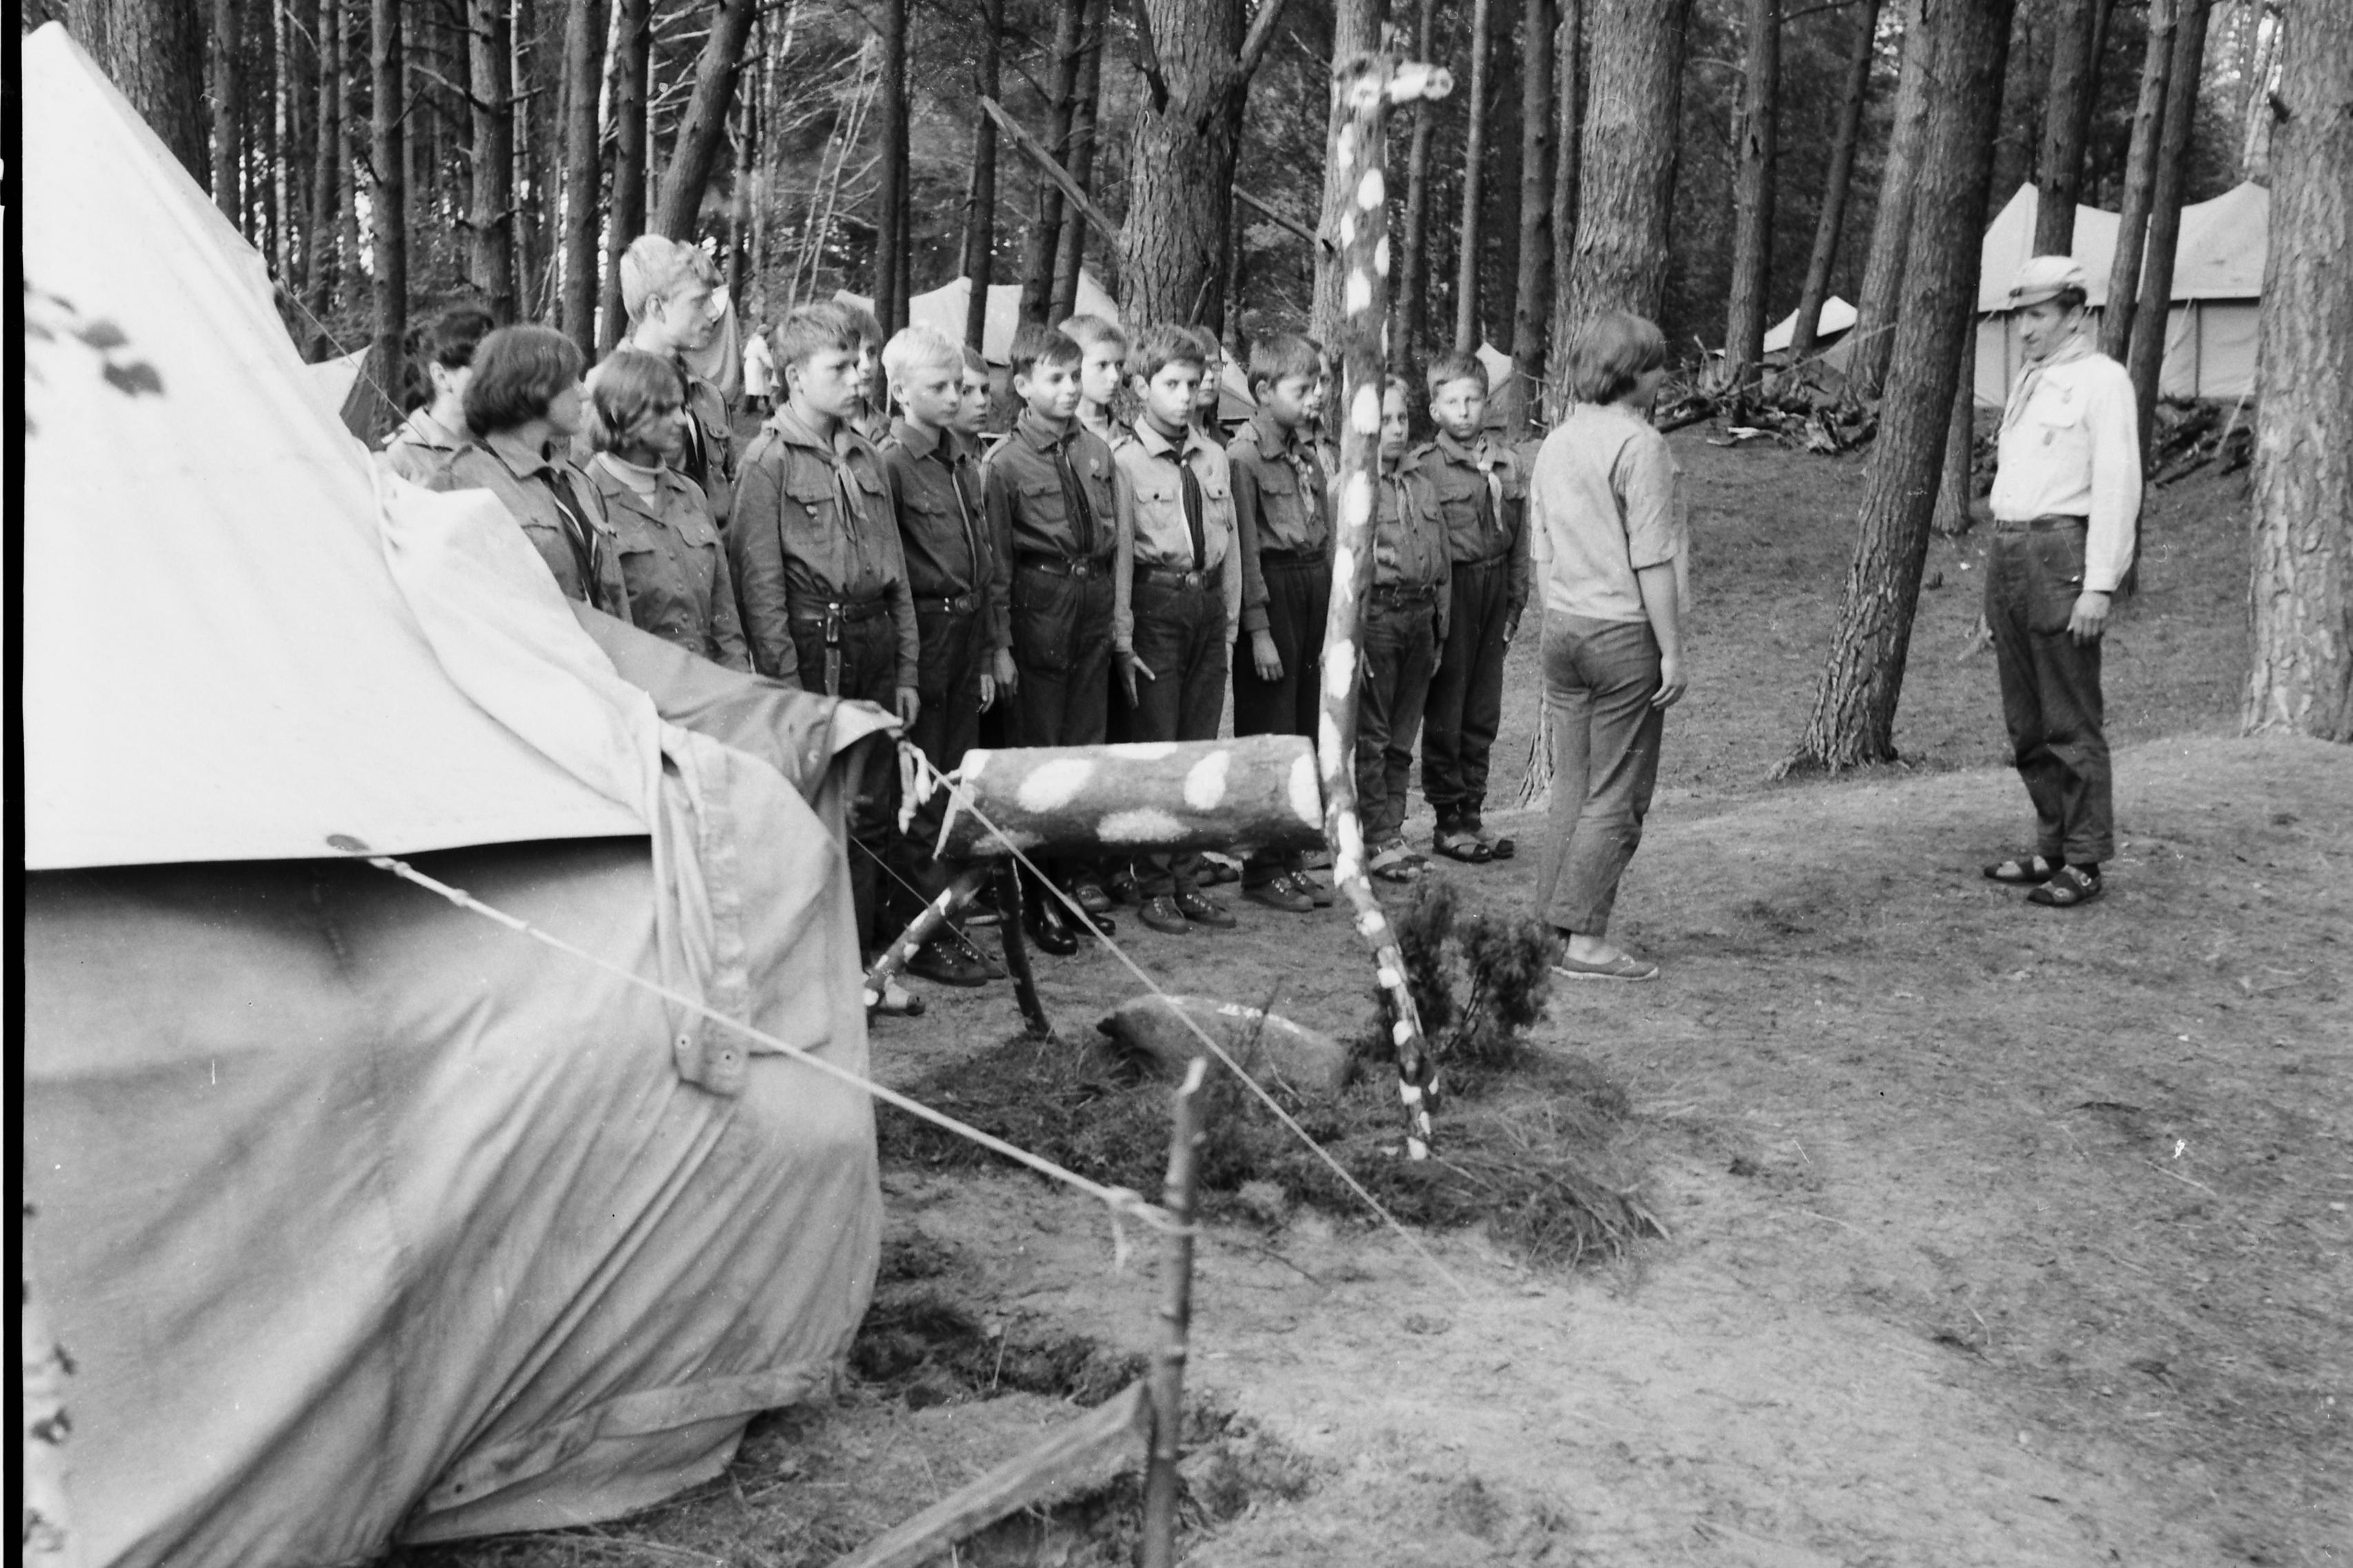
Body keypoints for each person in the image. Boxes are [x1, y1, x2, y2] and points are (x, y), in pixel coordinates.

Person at [730, 305, 921, 973]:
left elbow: (893, 569)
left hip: (871, 644)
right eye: (839, 368)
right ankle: (817, 970)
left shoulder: (865, 453)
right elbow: (761, 591)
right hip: (815, 649)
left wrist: (906, 669)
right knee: (818, 812)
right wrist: (786, 693)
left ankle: (865, 966)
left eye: (859, 364)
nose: (857, 377)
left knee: (874, 811)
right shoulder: (766, 463)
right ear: (792, 378)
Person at [1528, 311, 1688, 981]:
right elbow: (1652, 557)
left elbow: (1539, 547)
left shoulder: (1556, 441)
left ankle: (1548, 929)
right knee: (1618, 794)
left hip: (1561, 629)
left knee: (1574, 783)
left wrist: (1560, 611)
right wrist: (1672, 650)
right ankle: (1586, 942)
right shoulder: (1640, 444)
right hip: (1621, 635)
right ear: (1630, 375)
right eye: (1655, 366)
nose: (1662, 377)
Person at [1979, 255, 2141, 909]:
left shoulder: (2103, 381)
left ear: (2077, 315)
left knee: (2070, 716)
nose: (2026, 329)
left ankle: (2085, 860)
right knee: (2026, 720)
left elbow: (2118, 484)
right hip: (2011, 549)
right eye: (2021, 315)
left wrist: (2099, 583)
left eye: (2039, 315)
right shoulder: (2031, 380)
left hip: (2061, 551)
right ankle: (2051, 846)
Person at [983, 323, 1122, 950]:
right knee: (1039, 757)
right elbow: (998, 568)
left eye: (1074, 377)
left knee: (1084, 751)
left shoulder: (1096, 452)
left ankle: (1070, 885)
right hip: (1040, 609)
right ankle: (1034, 899)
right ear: (1022, 386)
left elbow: (1113, 545)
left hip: (1090, 609)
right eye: (1056, 379)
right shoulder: (1004, 465)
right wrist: (1001, 646)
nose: (1069, 390)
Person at [879, 325, 1003, 987]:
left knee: (955, 784)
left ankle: (950, 918)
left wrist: (986, 652)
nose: (955, 396)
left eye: (960, 385)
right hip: (924, 639)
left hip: (964, 635)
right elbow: (898, 573)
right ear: (899, 392)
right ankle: (921, 933)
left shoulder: (964, 460)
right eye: (940, 387)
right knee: (921, 790)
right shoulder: (891, 465)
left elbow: (982, 566)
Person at [1112, 324, 1243, 935]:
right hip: (1156, 610)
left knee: (1197, 752)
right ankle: (1155, 881)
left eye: (1193, 384)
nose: (1186, 396)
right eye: (1171, 384)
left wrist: (1231, 625)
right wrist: (1123, 636)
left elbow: (1230, 548)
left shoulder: (1213, 455)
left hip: (1206, 610)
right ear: (1141, 387)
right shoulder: (1123, 463)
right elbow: (1120, 562)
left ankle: (1188, 878)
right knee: (1158, 753)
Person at [1228, 330, 1333, 914]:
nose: (1316, 396)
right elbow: (1246, 550)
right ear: (1265, 391)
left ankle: (1291, 857)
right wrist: (1259, 630)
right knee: (1271, 734)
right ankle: (1262, 866)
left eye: (1318, 385)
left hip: (1313, 588)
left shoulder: (1307, 451)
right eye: (1304, 387)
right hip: (1274, 594)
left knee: (1305, 732)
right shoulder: (1243, 457)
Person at [1416, 351, 1530, 864]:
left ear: (1488, 402)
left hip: (1493, 592)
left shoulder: (1507, 463)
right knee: (1448, 708)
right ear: (1435, 409)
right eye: (1453, 401)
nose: (1464, 411)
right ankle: (1446, 820)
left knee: (1483, 709)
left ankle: (1474, 814)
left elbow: (1519, 543)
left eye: (1474, 399)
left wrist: (1515, 605)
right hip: (1453, 595)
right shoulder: (1427, 469)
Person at [428, 325, 629, 614]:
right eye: (571, 382)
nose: (584, 395)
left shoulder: (577, 482)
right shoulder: (461, 479)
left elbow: (614, 598)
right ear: (533, 388)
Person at [583, 348, 751, 671]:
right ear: (620, 414)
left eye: (683, 407)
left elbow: (724, 613)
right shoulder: (587, 501)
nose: (682, 421)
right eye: (664, 410)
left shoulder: (690, 494)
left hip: (709, 689)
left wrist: (736, 684)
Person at [1361, 375, 1452, 885]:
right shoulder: (1352, 488)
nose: (1396, 430)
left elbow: (1442, 567)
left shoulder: (1421, 485)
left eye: (1401, 419)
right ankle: (1375, 836)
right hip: (1377, 620)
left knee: (1401, 738)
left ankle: (1393, 832)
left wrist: (1440, 630)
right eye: (1385, 420)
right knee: (1372, 737)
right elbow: (1344, 571)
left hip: (1420, 622)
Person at [618, 235, 737, 527]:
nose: (713, 313)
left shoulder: (709, 397)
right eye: (699, 301)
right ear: (657, 308)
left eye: (713, 300)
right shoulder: (609, 393)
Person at [381, 304, 494, 483]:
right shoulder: (398, 455)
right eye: (486, 368)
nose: (500, 379)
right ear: (441, 377)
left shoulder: (505, 445)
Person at [1060, 314, 1128, 448]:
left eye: (1119, 365)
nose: (1115, 376)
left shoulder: (1129, 437)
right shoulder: (1053, 439)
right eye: (1102, 365)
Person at [743, 322, 775, 415]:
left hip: (751, 364)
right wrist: (774, 366)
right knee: (754, 388)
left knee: (761, 387)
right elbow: (765, 357)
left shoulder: (753, 340)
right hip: (755, 365)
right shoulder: (760, 342)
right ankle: (748, 409)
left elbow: (745, 353)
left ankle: (765, 407)